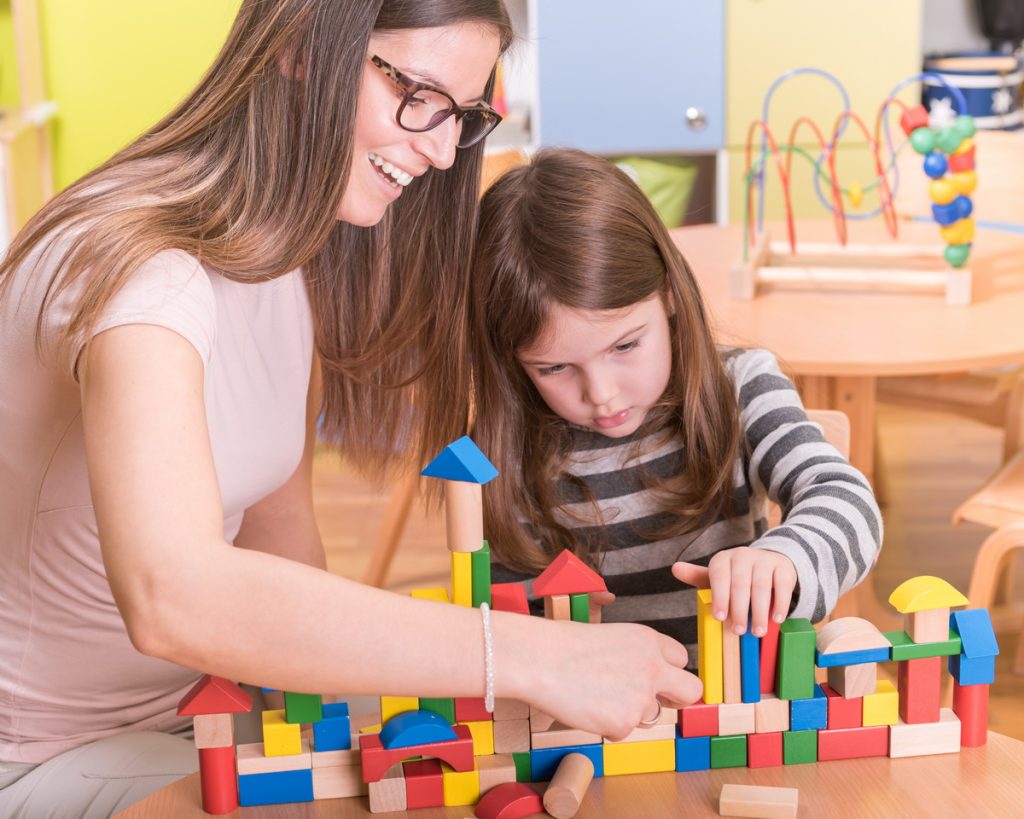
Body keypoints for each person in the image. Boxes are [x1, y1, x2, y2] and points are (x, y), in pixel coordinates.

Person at [0, 5, 701, 816]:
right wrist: (533, 654)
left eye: (463, 116)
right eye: (420, 95)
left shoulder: (280, 260)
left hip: (187, 719)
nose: (442, 151)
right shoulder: (144, 276)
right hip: (39, 755)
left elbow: (280, 535)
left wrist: (339, 732)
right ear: (303, 50)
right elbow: (174, 592)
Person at [469, 148, 884, 665]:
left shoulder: (741, 387)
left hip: (738, 711)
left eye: (624, 346)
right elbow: (507, 634)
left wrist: (785, 556)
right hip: (601, 728)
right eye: (553, 368)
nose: (601, 393)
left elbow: (847, 499)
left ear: (667, 291)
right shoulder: (500, 447)